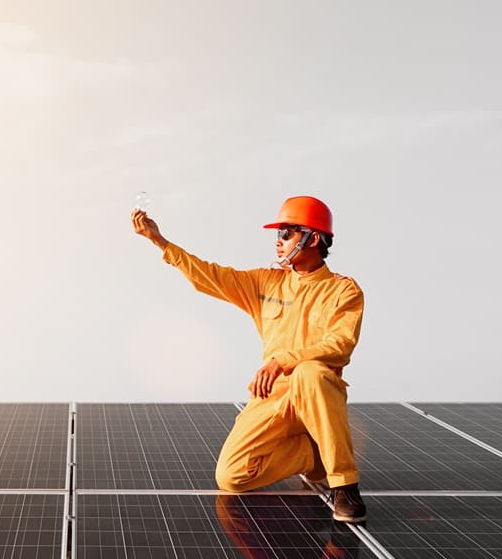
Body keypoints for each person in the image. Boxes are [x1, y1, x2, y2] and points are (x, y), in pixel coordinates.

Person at [132, 195, 367, 523]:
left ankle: (345, 485)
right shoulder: (266, 282)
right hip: (273, 396)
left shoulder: (344, 291)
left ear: (313, 238)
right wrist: (160, 242)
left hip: (317, 396)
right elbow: (211, 276)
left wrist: (283, 360)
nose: (279, 242)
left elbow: (340, 344)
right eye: (278, 235)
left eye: (287, 234)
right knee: (231, 477)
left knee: (309, 372)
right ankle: (313, 455)